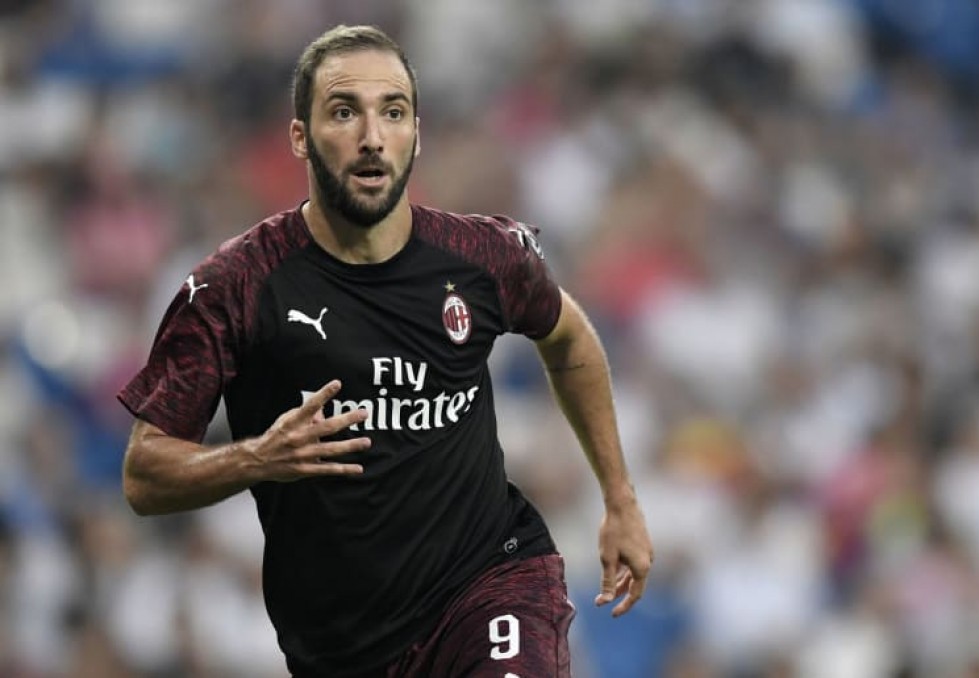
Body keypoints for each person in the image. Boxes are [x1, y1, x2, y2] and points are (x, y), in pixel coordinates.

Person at [117, 24, 653, 678]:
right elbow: (143, 474)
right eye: (344, 112)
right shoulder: (236, 286)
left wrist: (619, 496)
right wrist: (258, 458)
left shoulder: (482, 256)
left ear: (416, 135)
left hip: (489, 584)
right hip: (342, 648)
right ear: (300, 137)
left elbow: (567, 336)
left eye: (392, 112)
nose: (372, 136)